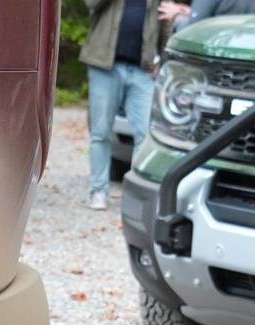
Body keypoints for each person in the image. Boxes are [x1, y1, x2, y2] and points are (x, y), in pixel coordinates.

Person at [80, 0, 187, 210]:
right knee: (100, 132)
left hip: (142, 70)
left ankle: (136, 196)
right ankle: (99, 190)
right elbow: (91, 4)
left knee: (145, 135)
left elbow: (164, 23)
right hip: (105, 66)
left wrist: (163, 59)